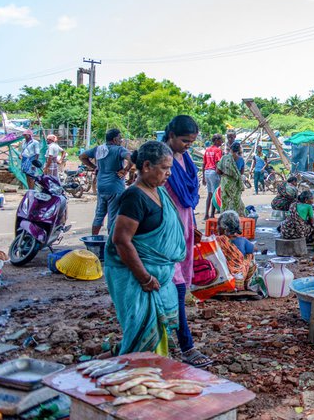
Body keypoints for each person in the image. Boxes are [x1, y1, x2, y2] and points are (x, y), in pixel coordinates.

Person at [105, 141, 186, 357]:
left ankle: (144, 371)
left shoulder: (158, 192)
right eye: (165, 168)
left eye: (170, 168)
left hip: (159, 276)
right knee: (141, 336)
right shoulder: (135, 196)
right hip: (139, 278)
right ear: (147, 166)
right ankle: (131, 377)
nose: (169, 173)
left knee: (152, 337)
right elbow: (121, 240)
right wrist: (144, 278)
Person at [161, 115, 212, 367]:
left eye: (191, 142)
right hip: (165, 231)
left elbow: (187, 195)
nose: (187, 146)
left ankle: (173, 342)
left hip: (184, 224)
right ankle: (186, 346)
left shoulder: (185, 158)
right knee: (175, 286)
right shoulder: (163, 160)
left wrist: (192, 224)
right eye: (184, 141)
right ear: (170, 135)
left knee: (177, 285)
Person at [81, 128, 132, 235]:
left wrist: (94, 167)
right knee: (113, 217)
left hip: (101, 186)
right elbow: (131, 158)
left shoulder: (98, 149)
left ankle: (94, 239)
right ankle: (110, 244)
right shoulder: (119, 150)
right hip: (115, 187)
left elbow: (82, 157)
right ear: (114, 139)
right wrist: (125, 170)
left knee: (99, 214)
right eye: (119, 137)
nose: (121, 140)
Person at [216, 210, 256, 290]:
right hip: (238, 278)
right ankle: (246, 283)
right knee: (250, 256)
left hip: (220, 278)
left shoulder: (217, 240)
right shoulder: (242, 240)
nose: (217, 228)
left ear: (224, 229)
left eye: (218, 225)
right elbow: (254, 249)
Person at [217, 141, 245, 215]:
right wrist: (234, 175)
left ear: (230, 148)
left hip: (226, 182)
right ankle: (235, 216)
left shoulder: (225, 158)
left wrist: (226, 174)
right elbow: (241, 172)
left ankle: (224, 216)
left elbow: (218, 171)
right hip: (236, 184)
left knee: (225, 201)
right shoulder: (241, 159)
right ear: (239, 150)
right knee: (236, 200)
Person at [202, 134, 224, 221]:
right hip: (214, 172)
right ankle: (212, 214)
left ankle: (206, 214)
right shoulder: (218, 150)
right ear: (216, 141)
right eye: (220, 140)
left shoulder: (207, 150)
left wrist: (203, 177)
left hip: (207, 172)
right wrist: (221, 174)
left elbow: (204, 163)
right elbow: (217, 163)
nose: (221, 142)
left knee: (209, 194)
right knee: (215, 194)